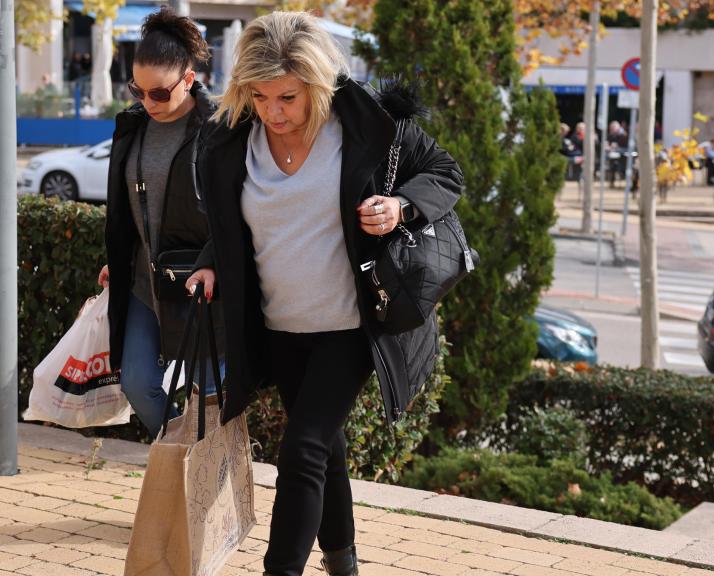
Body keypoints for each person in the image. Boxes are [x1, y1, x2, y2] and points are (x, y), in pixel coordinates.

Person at [186, 12, 463, 576]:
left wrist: (399, 207)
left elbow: (445, 172)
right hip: (280, 324)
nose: (273, 111)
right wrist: (210, 262)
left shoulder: (368, 126)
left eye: (287, 96)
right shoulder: (232, 136)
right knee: (324, 447)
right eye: (259, 96)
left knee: (303, 449)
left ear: (315, 83)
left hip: (352, 325)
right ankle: (343, 562)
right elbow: (230, 221)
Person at [98, 7, 220, 439]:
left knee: (210, 398)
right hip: (144, 284)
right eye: (137, 90)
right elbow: (130, 207)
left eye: (160, 94)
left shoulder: (217, 128)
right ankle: (184, 462)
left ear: (188, 79)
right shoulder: (132, 126)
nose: (147, 103)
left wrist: (218, 263)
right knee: (137, 381)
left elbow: (236, 212)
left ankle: (206, 486)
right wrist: (122, 258)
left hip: (203, 287)